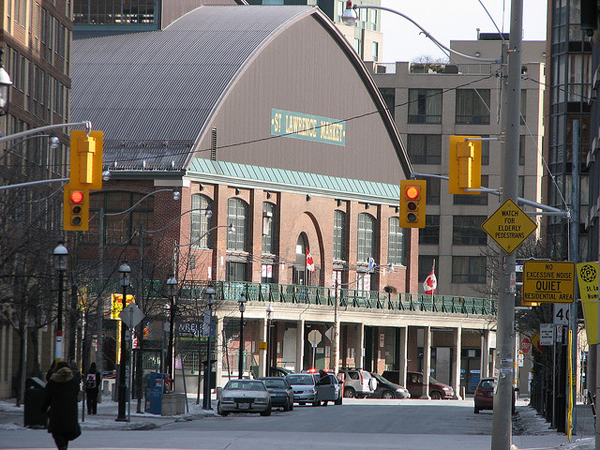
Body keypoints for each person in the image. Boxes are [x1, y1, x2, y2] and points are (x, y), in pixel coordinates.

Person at [42, 361, 81, 450]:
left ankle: (62, 447)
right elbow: (76, 393)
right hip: (70, 410)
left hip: (56, 410)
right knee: (66, 431)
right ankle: (63, 447)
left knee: (57, 432)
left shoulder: (53, 381)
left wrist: (44, 408)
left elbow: (48, 395)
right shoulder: (74, 380)